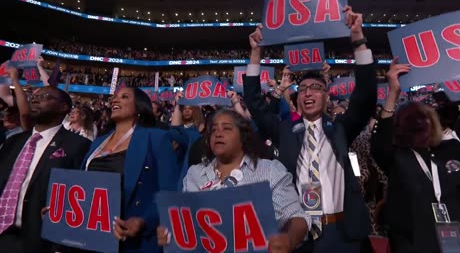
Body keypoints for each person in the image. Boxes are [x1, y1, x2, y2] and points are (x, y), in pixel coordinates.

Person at [243, 6, 377, 252]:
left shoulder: (340, 129)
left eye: (316, 87)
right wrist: (255, 56)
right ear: (296, 100)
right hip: (301, 232)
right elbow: (255, 103)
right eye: (303, 89)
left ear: (327, 96)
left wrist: (358, 39)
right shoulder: (284, 130)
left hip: (342, 233)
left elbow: (366, 95)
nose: (308, 93)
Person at [157, 109, 311, 252]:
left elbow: (295, 217)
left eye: (226, 128)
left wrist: (289, 239)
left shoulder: (269, 171)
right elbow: (185, 226)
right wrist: (170, 232)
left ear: (243, 137)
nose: (218, 134)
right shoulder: (195, 175)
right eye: (214, 130)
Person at [371, 59, 460, 252]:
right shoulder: (401, 157)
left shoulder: (459, 150)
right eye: (414, 120)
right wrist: (393, 94)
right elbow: (381, 145)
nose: (422, 123)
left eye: (428, 117)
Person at [82, 87, 179, 253]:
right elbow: (80, 184)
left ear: (139, 107)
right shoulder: (98, 142)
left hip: (132, 242)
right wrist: (60, 210)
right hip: (92, 235)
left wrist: (144, 220)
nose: (115, 100)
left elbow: (170, 191)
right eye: (114, 97)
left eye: (124, 97)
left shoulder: (156, 138)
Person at [0, 87, 91, 253]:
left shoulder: (78, 145)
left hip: (39, 241)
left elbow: (80, 197)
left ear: (64, 107)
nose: (34, 100)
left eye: (44, 96)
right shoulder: (12, 142)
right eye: (33, 96)